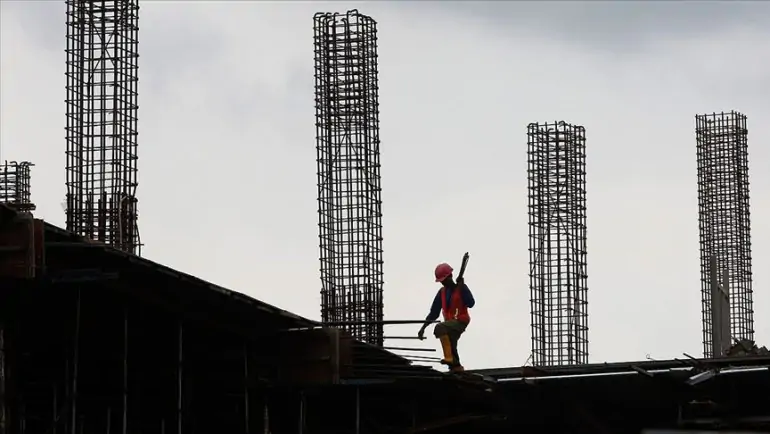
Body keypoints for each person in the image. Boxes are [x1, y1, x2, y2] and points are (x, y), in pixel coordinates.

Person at [417, 262, 475, 372]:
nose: (443, 283)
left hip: (461, 321)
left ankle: (449, 359)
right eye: (441, 281)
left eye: (444, 280)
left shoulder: (461, 287)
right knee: (450, 342)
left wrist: (462, 287)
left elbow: (471, 303)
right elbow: (434, 313)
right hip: (450, 324)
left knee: (440, 328)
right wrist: (423, 327)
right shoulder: (442, 293)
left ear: (450, 276)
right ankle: (455, 367)